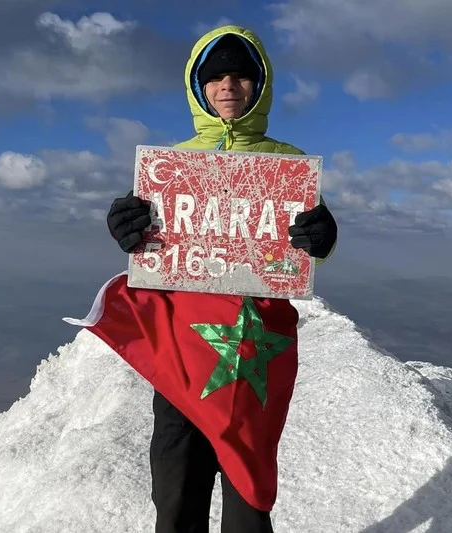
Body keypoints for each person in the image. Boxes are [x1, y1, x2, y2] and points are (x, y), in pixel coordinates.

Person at [105, 25, 338, 533]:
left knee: (247, 493)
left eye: (240, 76)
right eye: (214, 77)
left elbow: (304, 254)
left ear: (261, 85)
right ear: (197, 87)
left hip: (255, 347)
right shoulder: (172, 166)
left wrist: (322, 238)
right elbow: (148, 243)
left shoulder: (288, 162)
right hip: (180, 349)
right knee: (177, 488)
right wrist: (126, 226)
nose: (227, 86)